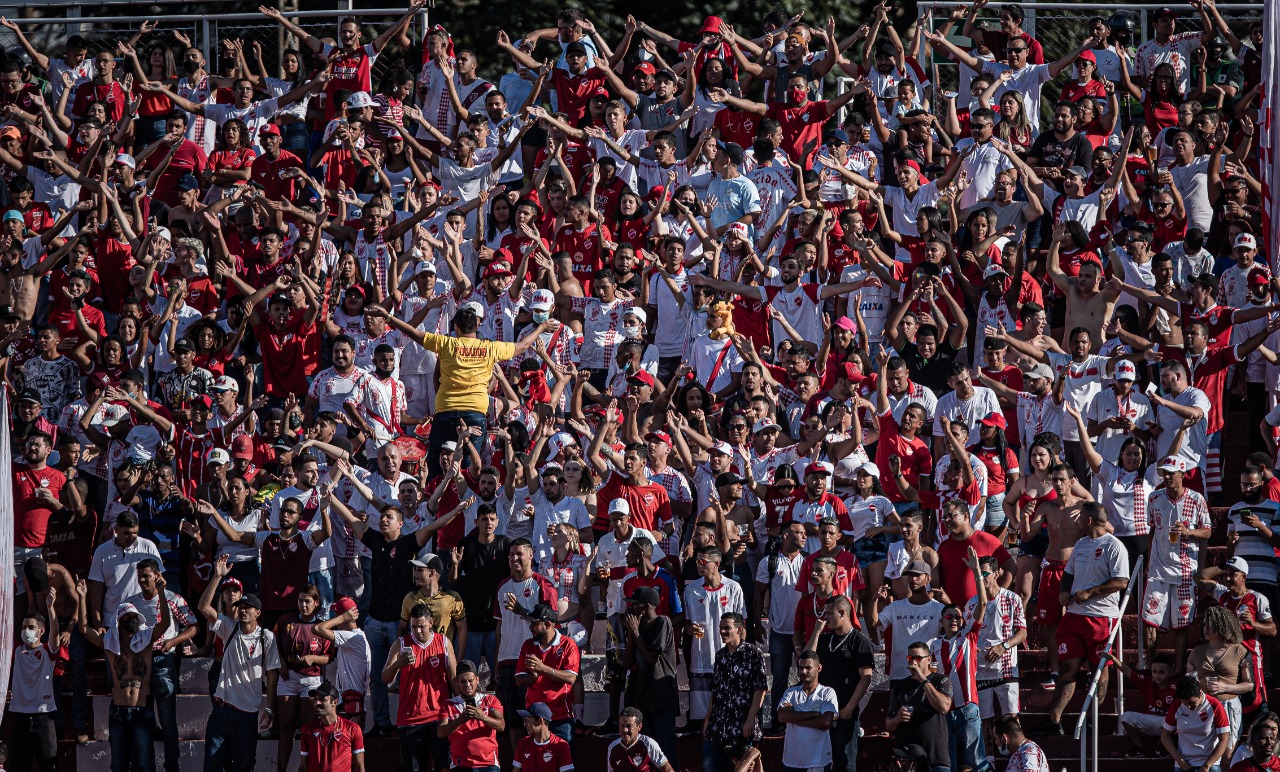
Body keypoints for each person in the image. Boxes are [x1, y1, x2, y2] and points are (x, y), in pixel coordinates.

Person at [1034, 502, 1129, 736]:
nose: (1075, 522)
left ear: (1088, 520)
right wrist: (1064, 591)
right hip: (1075, 615)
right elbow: (1068, 575)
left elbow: (1121, 581)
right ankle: (1054, 720)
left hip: (1101, 616)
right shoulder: (1081, 544)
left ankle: (1092, 718)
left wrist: (1090, 592)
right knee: (1068, 666)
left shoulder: (1114, 546)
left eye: (1080, 518)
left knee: (1100, 668)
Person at [808, 595, 875, 772]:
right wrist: (816, 632)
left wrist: (850, 708)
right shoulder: (825, 638)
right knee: (818, 764)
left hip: (845, 713)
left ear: (842, 612)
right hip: (821, 712)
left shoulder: (859, 641)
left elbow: (866, 677)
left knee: (845, 764)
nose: (825, 618)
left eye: (830, 614)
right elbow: (807, 662)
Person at [701, 612, 766, 772]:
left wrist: (751, 719)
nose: (722, 631)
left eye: (727, 628)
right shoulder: (720, 656)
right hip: (717, 727)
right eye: (721, 628)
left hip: (741, 727)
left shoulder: (754, 653)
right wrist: (708, 719)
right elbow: (716, 690)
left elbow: (760, 689)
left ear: (739, 629)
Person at [1107, 651, 1179, 757]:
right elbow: (1127, 671)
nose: (1157, 675)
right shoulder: (1147, 682)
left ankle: (1161, 747)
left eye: (1161, 672)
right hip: (1148, 720)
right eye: (1154, 671)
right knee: (1126, 717)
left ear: (1171, 672)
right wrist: (1113, 659)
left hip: (1166, 724)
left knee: (1179, 718)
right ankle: (1139, 749)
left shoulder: (1177, 687)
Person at [437, 660, 505, 771]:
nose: (467, 685)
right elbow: (441, 732)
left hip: (488, 763)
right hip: (461, 764)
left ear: (477, 679)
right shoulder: (448, 705)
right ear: (457, 682)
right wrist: (460, 720)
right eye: (463, 682)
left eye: (470, 680)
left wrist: (483, 717)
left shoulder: (490, 700)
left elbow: (501, 725)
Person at [778, 649, 839, 772]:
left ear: (819, 668)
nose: (803, 671)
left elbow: (825, 723)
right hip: (791, 762)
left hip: (818, 762)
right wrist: (814, 714)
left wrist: (795, 719)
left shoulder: (827, 692)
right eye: (800, 668)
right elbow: (783, 716)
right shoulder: (791, 692)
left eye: (808, 668)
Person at [1162, 674, 1232, 772]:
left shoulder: (1215, 705)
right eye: (1184, 702)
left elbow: (1224, 739)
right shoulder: (1176, 706)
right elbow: (1165, 735)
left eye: (1191, 702)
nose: (1188, 707)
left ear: (1200, 693)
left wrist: (1207, 766)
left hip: (1209, 763)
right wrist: (1179, 760)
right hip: (1184, 764)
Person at [298, 681, 366, 772]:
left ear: (335, 702)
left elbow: (359, 766)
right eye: (315, 699)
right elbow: (303, 766)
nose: (317, 703)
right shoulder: (307, 729)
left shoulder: (352, 729)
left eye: (322, 699)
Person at [607, 708, 675, 772]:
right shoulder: (612, 747)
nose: (625, 730)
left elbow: (667, 769)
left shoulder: (649, 744)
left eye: (629, 726)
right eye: (622, 725)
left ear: (639, 727)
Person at [512, 702, 574, 772]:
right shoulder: (523, 743)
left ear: (541, 721)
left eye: (528, 721)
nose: (525, 724)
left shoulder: (561, 745)